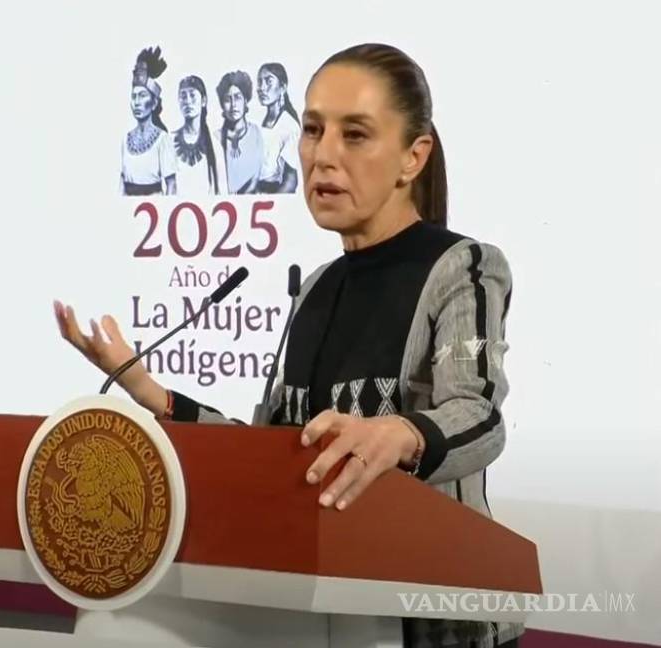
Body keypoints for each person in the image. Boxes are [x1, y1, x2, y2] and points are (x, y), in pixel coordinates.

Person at [58, 43, 520, 648]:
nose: (323, 155)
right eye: (312, 129)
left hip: (437, 622)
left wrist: (400, 435)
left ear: (413, 157)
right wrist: (153, 393)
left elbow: (479, 417)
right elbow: (272, 453)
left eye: (355, 135)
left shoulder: (462, 266)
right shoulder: (316, 290)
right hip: (317, 617)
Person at [120, 46, 177, 196]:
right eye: (134, 97)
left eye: (142, 96)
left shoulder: (163, 139)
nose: (137, 102)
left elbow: (171, 185)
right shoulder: (125, 139)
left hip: (154, 206)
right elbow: (122, 183)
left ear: (154, 103)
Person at [215, 70, 263, 194]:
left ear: (245, 101)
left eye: (237, 98)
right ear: (222, 105)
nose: (233, 105)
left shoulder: (256, 133)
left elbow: (256, 176)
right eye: (227, 99)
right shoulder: (215, 138)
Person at [256, 63, 301, 193]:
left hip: (273, 195)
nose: (262, 88)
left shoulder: (289, 126)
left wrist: (273, 202)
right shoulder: (260, 122)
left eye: (268, 81)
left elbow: (291, 182)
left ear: (282, 87)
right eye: (260, 82)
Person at [172, 75, 221, 195]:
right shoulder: (169, 141)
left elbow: (221, 190)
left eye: (192, 95)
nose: (188, 101)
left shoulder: (215, 143)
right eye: (183, 96)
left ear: (203, 101)